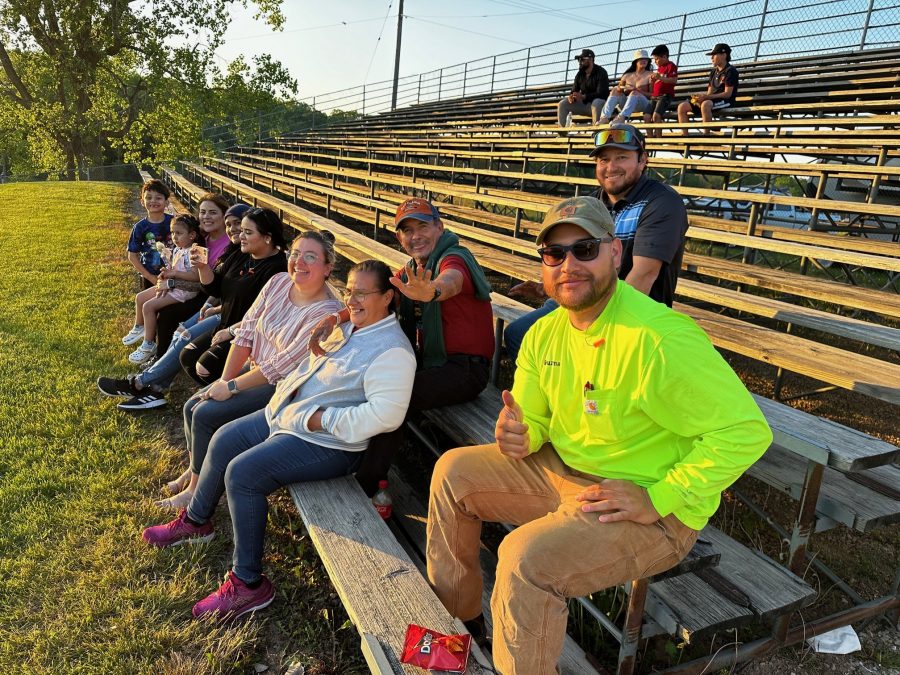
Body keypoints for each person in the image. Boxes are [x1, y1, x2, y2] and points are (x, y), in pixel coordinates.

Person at [426, 196, 773, 673]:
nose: (568, 264)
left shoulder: (659, 337)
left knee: (525, 562)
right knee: (452, 472)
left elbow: (745, 431)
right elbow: (535, 420)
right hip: (568, 471)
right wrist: (522, 434)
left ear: (615, 252)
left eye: (584, 249)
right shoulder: (544, 332)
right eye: (555, 253)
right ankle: (459, 631)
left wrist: (660, 497)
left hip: (650, 506)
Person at [142, 260, 417, 621]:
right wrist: (337, 318)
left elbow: (384, 416)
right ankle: (196, 521)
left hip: (329, 442)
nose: (351, 300)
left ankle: (248, 584)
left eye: (362, 293)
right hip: (289, 416)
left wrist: (319, 419)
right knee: (224, 439)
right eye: (349, 291)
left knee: (242, 474)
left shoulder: (393, 351)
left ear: (389, 297)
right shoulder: (351, 325)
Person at [307, 198, 494, 495]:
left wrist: (432, 291)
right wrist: (335, 317)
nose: (416, 235)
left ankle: (367, 483)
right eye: (408, 230)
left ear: (439, 227)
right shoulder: (411, 270)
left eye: (423, 226)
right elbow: (377, 294)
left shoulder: (455, 257)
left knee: (392, 396)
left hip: (466, 369)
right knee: (376, 385)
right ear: (399, 238)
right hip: (430, 364)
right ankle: (344, 459)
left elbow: (452, 280)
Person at [159, 230, 343, 509]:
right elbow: (246, 332)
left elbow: (283, 365)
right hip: (256, 368)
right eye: (295, 254)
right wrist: (224, 380)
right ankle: (195, 469)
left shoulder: (326, 312)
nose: (299, 262)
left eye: (310, 257)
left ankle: (195, 490)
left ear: (328, 267)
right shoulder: (278, 281)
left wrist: (231, 387)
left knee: (206, 413)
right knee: (192, 406)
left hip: (283, 387)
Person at [504, 123, 688, 361]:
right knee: (519, 335)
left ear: (643, 160)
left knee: (543, 345)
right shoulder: (593, 203)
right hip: (585, 301)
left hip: (631, 315)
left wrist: (593, 328)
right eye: (604, 160)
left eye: (621, 157)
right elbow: (577, 256)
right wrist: (549, 287)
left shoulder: (662, 202)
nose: (611, 167)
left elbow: (643, 277)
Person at [96, 203, 252, 411]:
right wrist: (207, 300)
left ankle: (140, 383)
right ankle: (154, 387)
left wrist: (180, 283)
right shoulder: (225, 247)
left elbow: (216, 288)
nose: (234, 229)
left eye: (239, 225)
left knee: (177, 327)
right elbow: (216, 287)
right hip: (212, 301)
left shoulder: (238, 249)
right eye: (230, 224)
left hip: (220, 309)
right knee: (177, 329)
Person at [153, 193, 233, 358]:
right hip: (195, 289)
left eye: (212, 212)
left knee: (168, 313)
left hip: (211, 296)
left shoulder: (229, 244)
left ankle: (161, 357)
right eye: (203, 212)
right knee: (155, 297)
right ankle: (155, 346)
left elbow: (207, 283)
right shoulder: (201, 239)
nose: (206, 217)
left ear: (224, 215)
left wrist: (173, 283)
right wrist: (168, 276)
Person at [122, 213, 203, 364]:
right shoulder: (178, 249)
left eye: (179, 233)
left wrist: (174, 274)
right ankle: (140, 327)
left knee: (148, 306)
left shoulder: (196, 251)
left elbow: (196, 277)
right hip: (173, 285)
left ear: (192, 235)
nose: (174, 237)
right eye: (172, 233)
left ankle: (149, 343)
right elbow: (174, 269)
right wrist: (166, 272)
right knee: (140, 297)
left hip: (185, 291)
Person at [676, 43, 738, 133]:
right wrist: (701, 98)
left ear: (724, 55)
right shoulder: (713, 72)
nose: (711, 58)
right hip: (711, 101)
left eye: (714, 55)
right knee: (682, 107)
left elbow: (727, 94)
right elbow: (710, 92)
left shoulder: (730, 71)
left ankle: (706, 135)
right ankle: (685, 137)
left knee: (705, 104)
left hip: (726, 101)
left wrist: (706, 97)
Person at [127, 180, 173, 290]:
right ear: (142, 202)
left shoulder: (174, 222)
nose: (153, 201)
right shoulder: (140, 227)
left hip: (174, 275)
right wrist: (149, 277)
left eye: (158, 198)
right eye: (149, 198)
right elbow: (132, 255)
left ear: (166, 202)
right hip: (149, 275)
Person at [597, 50, 654, 125]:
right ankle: (604, 117)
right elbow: (619, 88)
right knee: (615, 90)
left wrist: (637, 91)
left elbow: (652, 95)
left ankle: (622, 117)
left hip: (643, 104)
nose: (644, 61)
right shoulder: (627, 75)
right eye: (641, 59)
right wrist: (621, 88)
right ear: (636, 61)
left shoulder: (651, 75)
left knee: (634, 93)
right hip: (627, 104)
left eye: (646, 59)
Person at [557, 48, 609, 127]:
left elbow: (602, 94)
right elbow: (574, 90)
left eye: (582, 60)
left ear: (590, 59)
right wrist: (572, 97)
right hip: (585, 105)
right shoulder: (580, 74)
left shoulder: (601, 72)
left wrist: (584, 96)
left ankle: (596, 130)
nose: (579, 62)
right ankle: (563, 132)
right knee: (563, 104)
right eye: (579, 60)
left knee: (596, 102)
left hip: (600, 106)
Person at [647, 44, 678, 137]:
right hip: (655, 97)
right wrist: (652, 81)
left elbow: (673, 80)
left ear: (664, 57)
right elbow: (656, 85)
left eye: (656, 59)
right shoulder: (660, 68)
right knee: (646, 116)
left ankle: (658, 139)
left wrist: (660, 78)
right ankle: (650, 139)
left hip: (665, 96)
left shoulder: (671, 66)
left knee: (656, 116)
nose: (655, 62)